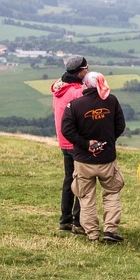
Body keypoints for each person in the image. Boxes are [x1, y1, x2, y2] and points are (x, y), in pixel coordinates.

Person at [61, 71, 126, 243]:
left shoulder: (74, 105)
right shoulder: (111, 101)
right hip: (107, 159)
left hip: (83, 160)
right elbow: (120, 125)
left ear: (85, 84)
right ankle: (110, 231)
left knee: (86, 197)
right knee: (112, 193)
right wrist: (108, 141)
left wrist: (86, 144)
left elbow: (67, 130)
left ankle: (92, 234)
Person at [50, 55, 88, 233]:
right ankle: (77, 222)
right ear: (80, 72)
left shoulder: (60, 87)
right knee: (80, 181)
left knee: (68, 179)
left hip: (63, 141)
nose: (87, 72)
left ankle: (64, 219)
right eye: (86, 69)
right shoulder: (77, 92)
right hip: (76, 141)